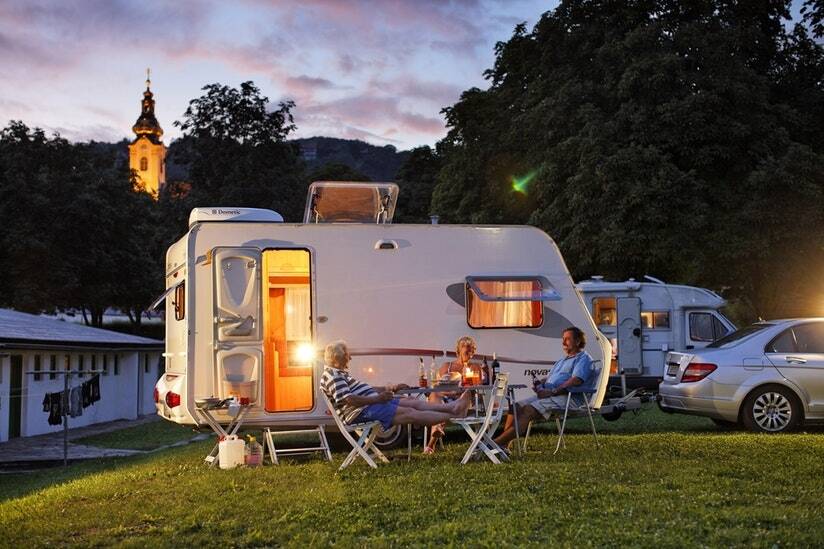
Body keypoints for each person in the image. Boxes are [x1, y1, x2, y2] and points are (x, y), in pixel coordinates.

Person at [320, 340, 472, 433]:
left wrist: (391, 388)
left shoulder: (339, 373)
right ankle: (455, 414)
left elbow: (367, 390)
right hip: (361, 411)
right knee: (410, 413)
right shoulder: (333, 376)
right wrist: (378, 399)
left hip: (370, 404)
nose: (350, 358)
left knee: (411, 401)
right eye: (347, 355)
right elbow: (350, 400)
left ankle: (452, 407)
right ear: (337, 358)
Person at [493, 327, 594, 449]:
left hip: (568, 398)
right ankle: (504, 445)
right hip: (552, 394)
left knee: (528, 410)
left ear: (577, 341)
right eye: (563, 339)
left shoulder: (583, 358)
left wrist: (552, 391)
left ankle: (495, 444)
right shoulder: (562, 360)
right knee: (515, 407)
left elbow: (576, 380)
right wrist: (541, 384)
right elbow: (551, 378)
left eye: (567, 339)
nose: (563, 342)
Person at [423, 335, 485, 455]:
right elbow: (438, 386)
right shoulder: (447, 366)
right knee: (434, 395)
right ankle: (436, 430)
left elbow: (478, 386)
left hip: (464, 401)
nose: (469, 352)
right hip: (446, 399)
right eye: (466, 349)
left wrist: (459, 391)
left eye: (471, 350)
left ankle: (431, 444)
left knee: (466, 393)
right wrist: (452, 392)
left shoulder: (475, 367)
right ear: (459, 350)